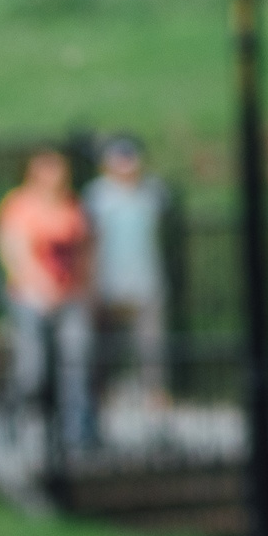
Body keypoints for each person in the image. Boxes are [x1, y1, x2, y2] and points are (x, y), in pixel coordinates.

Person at [0, 149, 94, 447]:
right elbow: (15, 253)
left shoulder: (72, 205)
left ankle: (77, 432)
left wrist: (84, 288)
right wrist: (42, 286)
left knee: (76, 362)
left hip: (71, 297)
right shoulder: (19, 206)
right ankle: (8, 418)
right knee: (32, 368)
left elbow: (85, 249)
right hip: (31, 298)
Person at [83, 135, 170, 402]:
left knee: (151, 345)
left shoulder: (152, 192)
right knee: (106, 345)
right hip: (108, 283)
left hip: (146, 281)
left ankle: (155, 393)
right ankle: (101, 394)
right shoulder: (97, 196)